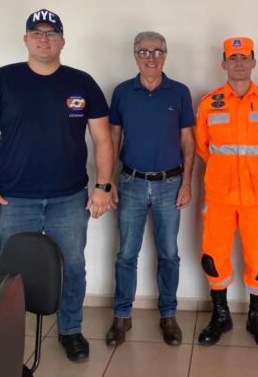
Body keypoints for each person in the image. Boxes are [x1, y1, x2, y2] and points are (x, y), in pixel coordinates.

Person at [0, 9, 115, 363]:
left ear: (62, 41)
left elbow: (103, 139)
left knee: (73, 267)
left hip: (69, 198)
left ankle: (70, 330)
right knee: (12, 272)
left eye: (51, 33)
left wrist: (103, 186)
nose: (44, 39)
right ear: (26, 39)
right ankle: (7, 336)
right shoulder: (2, 80)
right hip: (14, 198)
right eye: (37, 32)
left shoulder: (82, 82)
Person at [195, 37, 258, 349]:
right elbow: (203, 148)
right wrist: (225, 172)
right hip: (219, 196)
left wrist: (257, 173)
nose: (238, 63)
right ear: (223, 63)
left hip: (257, 198)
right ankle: (220, 315)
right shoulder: (209, 103)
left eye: (244, 57)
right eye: (233, 57)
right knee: (213, 258)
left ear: (253, 62)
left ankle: (256, 317)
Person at [106, 31, 195, 347]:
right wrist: (108, 180)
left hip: (170, 184)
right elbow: (112, 138)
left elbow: (188, 141)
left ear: (165, 55)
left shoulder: (180, 92)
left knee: (169, 254)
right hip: (131, 183)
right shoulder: (122, 92)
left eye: (157, 51)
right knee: (126, 254)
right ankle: (122, 316)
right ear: (135, 56)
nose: (151, 57)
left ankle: (168, 315)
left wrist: (187, 182)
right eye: (144, 52)